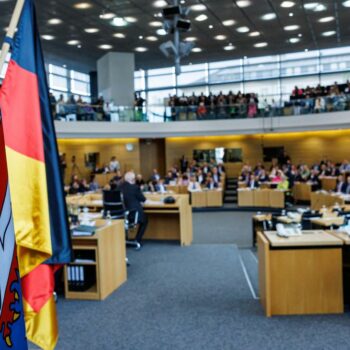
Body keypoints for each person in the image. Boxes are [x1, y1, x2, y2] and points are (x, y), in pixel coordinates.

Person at [118, 172, 148, 248]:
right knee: (145, 220)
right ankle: (137, 240)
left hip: (120, 215)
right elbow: (143, 199)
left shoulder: (118, 187)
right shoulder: (135, 187)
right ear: (132, 180)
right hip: (133, 214)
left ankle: (123, 239)